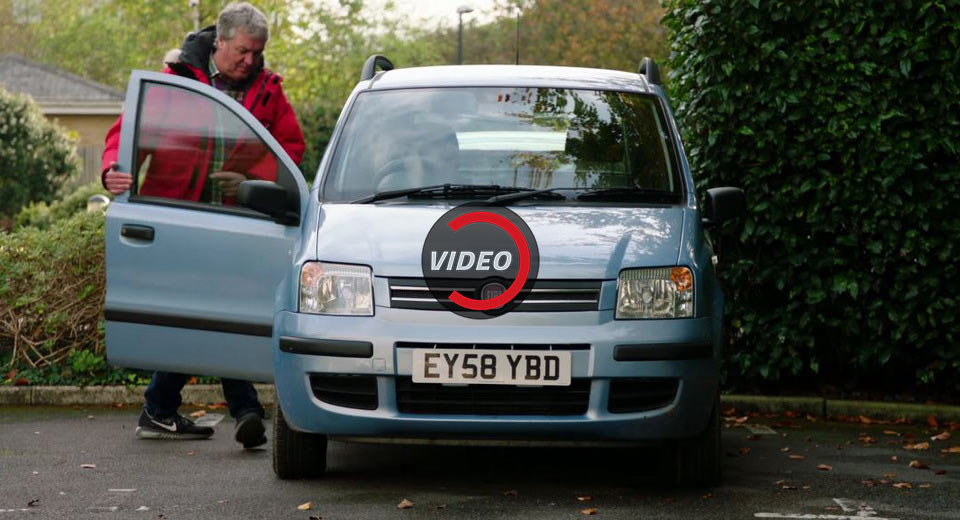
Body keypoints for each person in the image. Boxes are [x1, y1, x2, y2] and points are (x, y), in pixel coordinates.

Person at [101, 2, 305, 448]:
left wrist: (251, 180)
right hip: (181, 219)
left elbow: (291, 148)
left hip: (238, 222)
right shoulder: (175, 82)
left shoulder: (269, 91)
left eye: (257, 53)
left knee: (214, 314)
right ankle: (243, 409)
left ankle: (161, 409)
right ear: (220, 42)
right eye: (242, 51)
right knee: (208, 312)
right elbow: (125, 133)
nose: (250, 61)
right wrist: (113, 170)